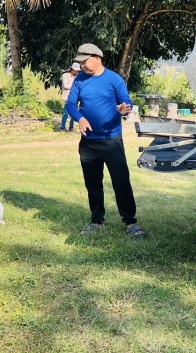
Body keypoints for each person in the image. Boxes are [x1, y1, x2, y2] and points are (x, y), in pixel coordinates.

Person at [65, 43, 145, 237]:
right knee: (93, 184)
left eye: (85, 61)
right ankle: (97, 221)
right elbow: (70, 104)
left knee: (121, 182)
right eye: (80, 62)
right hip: (88, 143)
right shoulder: (80, 79)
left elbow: (126, 102)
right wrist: (80, 118)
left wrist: (124, 109)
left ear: (97, 58)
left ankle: (130, 222)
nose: (82, 65)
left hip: (112, 141)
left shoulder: (114, 79)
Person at [60, 62, 79, 132]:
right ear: (73, 69)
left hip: (75, 97)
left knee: (73, 112)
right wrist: (74, 86)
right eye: (76, 70)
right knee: (66, 112)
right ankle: (63, 127)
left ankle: (71, 127)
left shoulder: (76, 77)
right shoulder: (65, 75)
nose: (77, 71)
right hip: (67, 97)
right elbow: (65, 86)